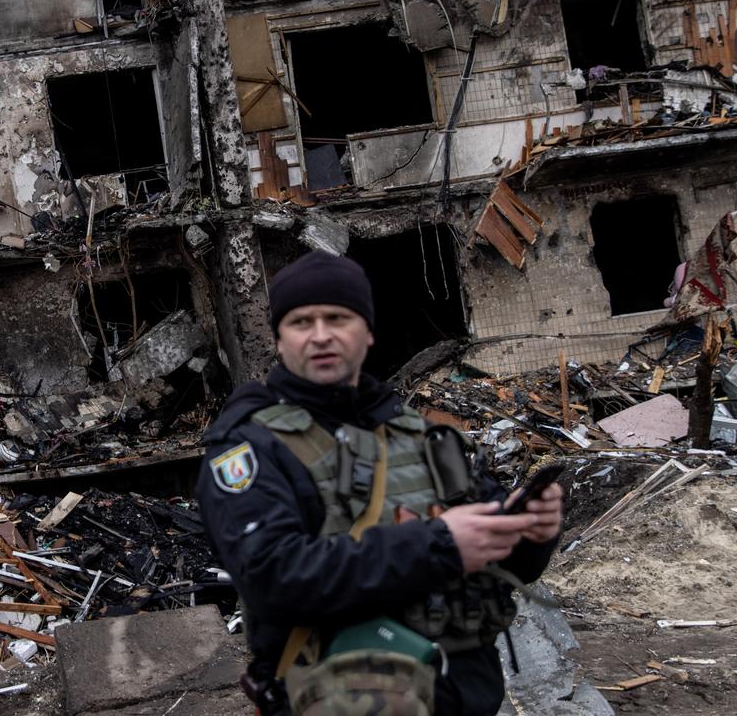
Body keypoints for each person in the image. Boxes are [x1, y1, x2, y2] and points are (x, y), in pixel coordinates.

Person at [197, 251, 563, 716]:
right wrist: (439, 546)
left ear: (367, 331)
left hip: (465, 693)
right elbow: (273, 576)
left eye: (337, 317)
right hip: (340, 695)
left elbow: (506, 560)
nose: (322, 334)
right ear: (280, 340)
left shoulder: (420, 435)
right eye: (301, 322)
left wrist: (532, 532)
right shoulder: (250, 447)